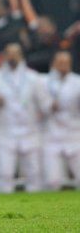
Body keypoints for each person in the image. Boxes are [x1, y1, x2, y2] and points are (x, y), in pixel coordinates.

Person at [0, 43, 50, 193]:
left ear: (21, 55)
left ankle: (37, 210)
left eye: (16, 53)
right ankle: (2, 212)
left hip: (29, 132)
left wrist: (41, 114)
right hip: (5, 132)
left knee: (34, 173)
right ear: (5, 56)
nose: (12, 56)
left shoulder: (34, 78)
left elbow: (45, 104)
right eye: (9, 53)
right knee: (4, 174)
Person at [42, 51, 80, 190]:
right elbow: (39, 106)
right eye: (60, 63)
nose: (63, 66)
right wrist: (49, 105)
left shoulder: (77, 81)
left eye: (66, 63)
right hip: (52, 134)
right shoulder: (43, 81)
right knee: (53, 180)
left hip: (74, 134)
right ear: (53, 64)